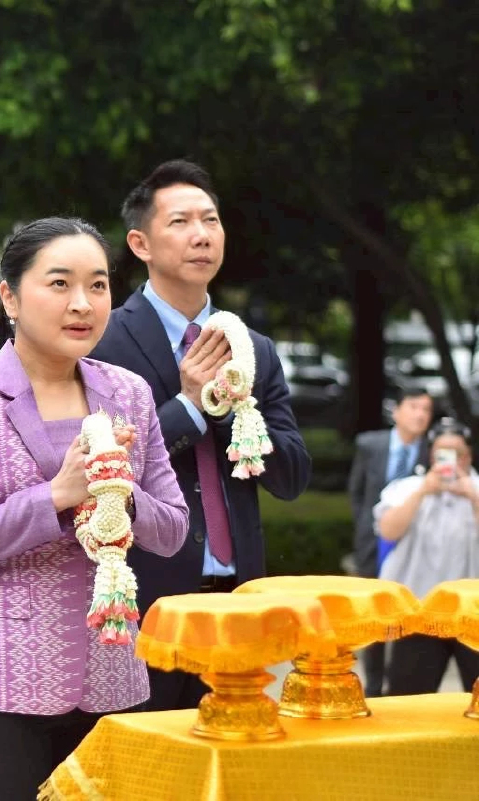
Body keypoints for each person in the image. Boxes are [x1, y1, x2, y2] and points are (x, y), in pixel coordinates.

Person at [0, 217, 189, 799]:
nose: (82, 304)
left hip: (110, 673)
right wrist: (56, 496)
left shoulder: (130, 392)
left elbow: (172, 530)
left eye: (97, 285)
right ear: (10, 296)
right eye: (60, 283)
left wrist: (120, 491)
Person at [90, 159, 311, 712]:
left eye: (211, 221)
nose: (201, 235)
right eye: (182, 222)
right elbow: (104, 468)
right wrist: (190, 406)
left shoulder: (253, 348)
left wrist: (235, 405)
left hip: (238, 596)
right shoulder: (104, 340)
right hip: (147, 597)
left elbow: (291, 477)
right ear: (140, 243)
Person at [375, 418, 479, 695]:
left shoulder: (477, 489)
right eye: (442, 452)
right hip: (421, 611)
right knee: (407, 697)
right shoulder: (407, 488)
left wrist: (475, 497)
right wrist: (422, 492)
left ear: (468, 456)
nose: (450, 460)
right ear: (431, 454)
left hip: (475, 614)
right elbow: (388, 530)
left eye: (456, 453)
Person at [347, 387, 433, 696]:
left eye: (426, 409)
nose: (420, 414)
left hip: (413, 547)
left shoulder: (433, 451)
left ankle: (402, 684)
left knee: (408, 612)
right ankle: (372, 685)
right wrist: (364, 528)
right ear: (396, 411)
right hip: (372, 544)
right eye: (414, 407)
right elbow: (357, 491)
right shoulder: (371, 445)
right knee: (374, 614)